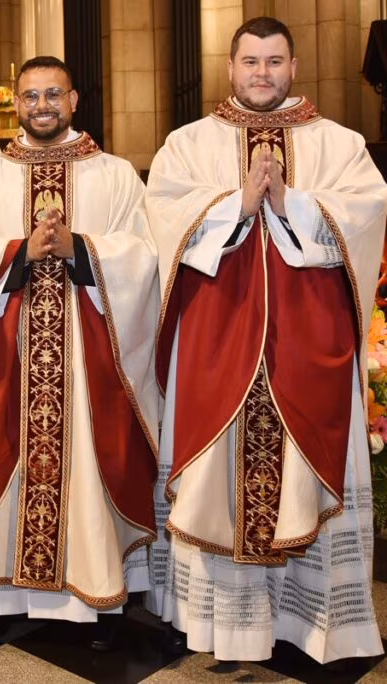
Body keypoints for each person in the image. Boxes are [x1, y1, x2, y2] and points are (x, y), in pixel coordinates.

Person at [145, 16, 387, 665]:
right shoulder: (187, 143)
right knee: (213, 485)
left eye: (274, 61)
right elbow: (162, 214)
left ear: (294, 65)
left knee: (308, 480)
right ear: (231, 67)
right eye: (250, 62)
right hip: (217, 346)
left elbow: (367, 211)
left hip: (309, 351)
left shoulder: (338, 142)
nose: (262, 73)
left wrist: (291, 203)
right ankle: (221, 628)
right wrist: (237, 204)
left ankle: (311, 626)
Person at [0, 55, 160, 649]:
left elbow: (145, 256)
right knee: (1, 452)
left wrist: (81, 249)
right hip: (8, 351)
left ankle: (94, 585)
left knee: (92, 459)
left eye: (52, 95)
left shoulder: (115, 174)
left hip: (89, 351)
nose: (40, 106)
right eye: (29, 96)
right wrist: (16, 252)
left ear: (73, 101)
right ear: (15, 104)